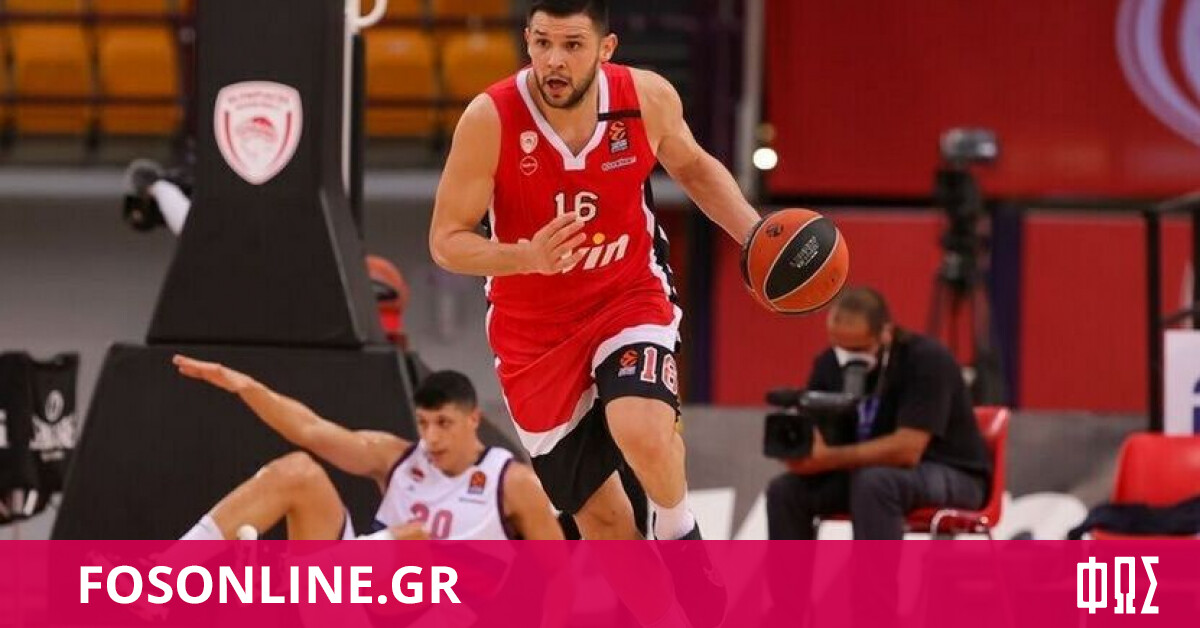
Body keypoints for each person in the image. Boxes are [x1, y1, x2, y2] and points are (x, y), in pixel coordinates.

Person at [428, 0, 758, 546]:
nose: (553, 60)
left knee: (642, 429)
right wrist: (524, 258)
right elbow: (445, 241)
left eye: (572, 45)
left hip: (626, 295)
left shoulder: (645, 98)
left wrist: (754, 235)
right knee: (604, 526)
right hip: (533, 334)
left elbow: (695, 168)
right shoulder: (490, 118)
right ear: (528, 40)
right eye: (542, 42)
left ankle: (679, 533)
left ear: (606, 49)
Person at [171, 359, 563, 540]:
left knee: (416, 542)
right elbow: (310, 429)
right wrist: (246, 387)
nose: (431, 438)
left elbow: (557, 579)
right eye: (423, 423)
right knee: (298, 472)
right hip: (361, 602)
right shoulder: (395, 457)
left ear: (473, 419)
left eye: (443, 423)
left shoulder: (511, 482)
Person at [765, 286, 993, 540]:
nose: (848, 358)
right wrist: (803, 453)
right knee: (785, 491)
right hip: (868, 473)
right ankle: (789, 569)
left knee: (874, 483)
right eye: (840, 347)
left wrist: (828, 458)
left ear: (885, 333)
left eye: (858, 349)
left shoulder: (927, 359)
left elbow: (908, 451)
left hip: (951, 471)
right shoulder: (829, 363)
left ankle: (875, 569)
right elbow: (820, 438)